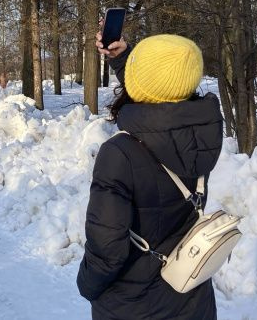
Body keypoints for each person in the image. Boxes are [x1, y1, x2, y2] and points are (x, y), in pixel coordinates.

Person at [76, 32, 223, 320]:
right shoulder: (201, 134)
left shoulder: (120, 153)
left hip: (133, 306)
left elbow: (108, 250)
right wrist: (123, 60)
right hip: (193, 297)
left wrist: (87, 285)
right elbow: (163, 98)